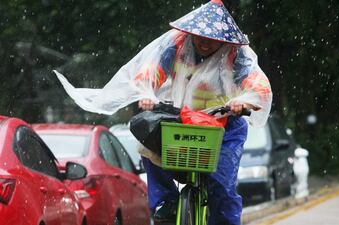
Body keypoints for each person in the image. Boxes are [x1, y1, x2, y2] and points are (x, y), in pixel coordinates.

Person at [54, 0, 272, 224]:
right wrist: (147, 93)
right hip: (183, 119)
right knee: (148, 143)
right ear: (191, 32)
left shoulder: (236, 54)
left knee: (222, 187)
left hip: (224, 125)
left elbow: (256, 84)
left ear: (222, 40)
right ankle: (167, 202)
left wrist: (244, 102)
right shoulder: (177, 44)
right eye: (200, 38)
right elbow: (152, 71)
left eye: (211, 40)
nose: (204, 44)